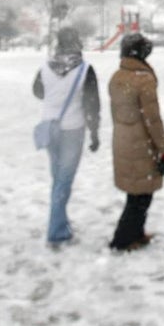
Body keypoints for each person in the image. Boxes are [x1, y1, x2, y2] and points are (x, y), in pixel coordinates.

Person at [32, 27, 100, 247]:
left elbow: (37, 92)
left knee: (58, 177)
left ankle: (60, 220)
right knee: (64, 180)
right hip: (73, 128)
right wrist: (94, 132)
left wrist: (55, 96)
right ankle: (57, 231)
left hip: (49, 127)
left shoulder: (45, 66)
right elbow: (92, 104)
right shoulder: (85, 69)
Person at [108, 31, 164, 252]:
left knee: (135, 192)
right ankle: (123, 239)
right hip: (141, 144)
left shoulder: (117, 76)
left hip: (123, 140)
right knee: (141, 195)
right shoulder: (143, 80)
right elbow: (153, 120)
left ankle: (135, 233)